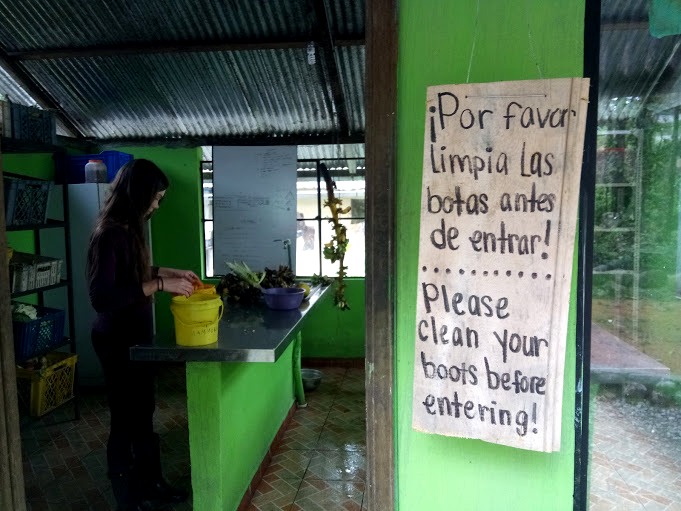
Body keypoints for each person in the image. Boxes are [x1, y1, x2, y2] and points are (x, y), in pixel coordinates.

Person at [86, 159, 198, 511]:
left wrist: (167, 271)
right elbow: (102, 298)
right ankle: (127, 499)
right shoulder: (109, 233)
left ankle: (152, 483)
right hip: (116, 341)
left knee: (144, 413)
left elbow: (130, 272)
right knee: (124, 419)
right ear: (139, 195)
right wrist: (161, 284)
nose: (157, 205)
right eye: (155, 197)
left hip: (136, 339)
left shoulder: (128, 227)